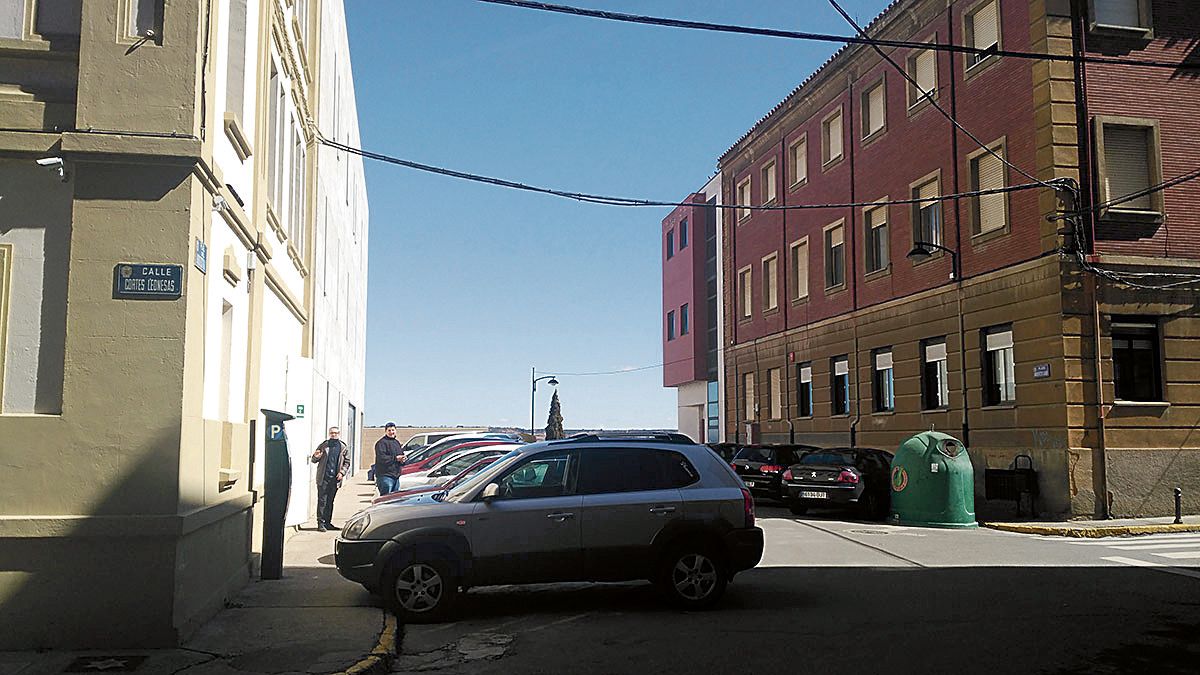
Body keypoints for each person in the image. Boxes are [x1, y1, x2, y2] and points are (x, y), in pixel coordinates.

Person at [311, 426, 350, 532]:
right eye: (332, 433)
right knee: (322, 500)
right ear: (329, 434)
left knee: (330, 501)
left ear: (339, 433)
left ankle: (328, 522)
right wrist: (316, 456)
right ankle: (321, 523)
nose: (333, 435)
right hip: (323, 477)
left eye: (335, 433)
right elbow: (314, 459)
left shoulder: (343, 447)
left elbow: (347, 462)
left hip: (335, 479)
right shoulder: (324, 445)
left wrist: (342, 473)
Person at [374, 422, 405, 496]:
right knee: (386, 498)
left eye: (393, 430)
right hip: (385, 476)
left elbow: (400, 455)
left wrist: (402, 460)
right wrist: (396, 458)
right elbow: (382, 458)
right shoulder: (381, 443)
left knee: (394, 499)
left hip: (396, 476)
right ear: (385, 431)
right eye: (389, 430)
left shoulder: (396, 443)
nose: (391, 432)